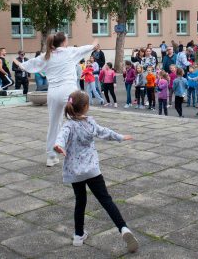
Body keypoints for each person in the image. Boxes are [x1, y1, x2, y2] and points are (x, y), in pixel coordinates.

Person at [52, 91, 139, 253]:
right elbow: (105, 132)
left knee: (80, 201)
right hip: (92, 171)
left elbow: (61, 137)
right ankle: (123, 228)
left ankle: (78, 236)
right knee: (106, 200)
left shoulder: (68, 125)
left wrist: (58, 146)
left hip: (76, 172)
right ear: (85, 107)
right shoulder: (90, 123)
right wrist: (120, 137)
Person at [22, 33, 98, 167]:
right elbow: (86, 48)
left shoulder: (46, 56)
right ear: (63, 42)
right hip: (69, 91)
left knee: (54, 123)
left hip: (53, 93)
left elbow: (29, 65)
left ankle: (51, 156)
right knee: (77, 120)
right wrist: (94, 43)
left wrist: (21, 65)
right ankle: (79, 152)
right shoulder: (69, 52)